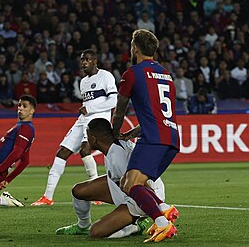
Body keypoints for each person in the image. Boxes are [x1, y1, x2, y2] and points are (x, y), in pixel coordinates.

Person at [56, 118, 177, 239]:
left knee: (96, 232)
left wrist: (157, 210)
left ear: (93, 139)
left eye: (87, 136)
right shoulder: (114, 145)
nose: (86, 140)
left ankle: (135, 226)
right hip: (126, 188)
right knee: (79, 191)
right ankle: (82, 226)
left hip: (144, 199)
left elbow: (143, 187)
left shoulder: (117, 157)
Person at [111, 29, 180, 243]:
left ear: (135, 48)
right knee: (133, 182)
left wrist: (115, 134)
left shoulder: (132, 73)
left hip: (153, 139)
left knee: (130, 185)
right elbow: (158, 115)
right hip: (171, 138)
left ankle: (162, 222)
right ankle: (164, 209)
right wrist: (133, 133)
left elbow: (120, 110)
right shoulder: (166, 74)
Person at [32, 50, 118, 206]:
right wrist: (86, 110)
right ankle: (47, 197)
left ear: (95, 61)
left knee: (85, 150)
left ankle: (97, 193)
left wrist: (90, 110)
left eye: (87, 59)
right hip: (83, 120)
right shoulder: (83, 81)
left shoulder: (106, 76)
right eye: (82, 60)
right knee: (62, 152)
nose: (83, 62)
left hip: (98, 120)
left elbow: (114, 101)